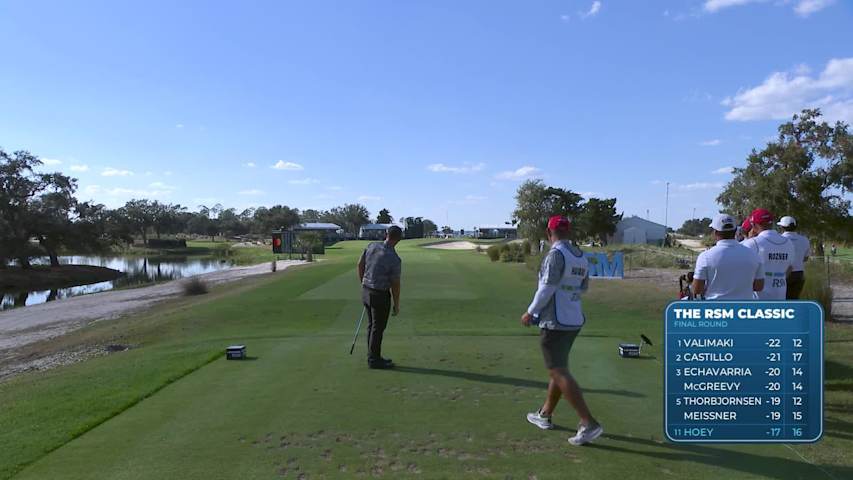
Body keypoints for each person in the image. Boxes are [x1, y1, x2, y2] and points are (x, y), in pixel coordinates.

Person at [521, 215, 602, 446]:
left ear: (549, 233)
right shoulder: (580, 256)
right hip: (573, 319)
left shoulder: (555, 255)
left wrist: (530, 312)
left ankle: (588, 422)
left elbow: (546, 288)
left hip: (554, 321)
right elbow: (583, 287)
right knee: (559, 368)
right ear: (569, 232)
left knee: (557, 370)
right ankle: (545, 414)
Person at [357, 225, 402, 369]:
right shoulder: (394, 259)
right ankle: (374, 360)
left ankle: (373, 355)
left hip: (366, 291)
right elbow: (395, 284)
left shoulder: (371, 246)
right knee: (378, 328)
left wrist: (363, 283)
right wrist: (396, 304)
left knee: (372, 326)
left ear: (386, 234)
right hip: (380, 295)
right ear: (399, 239)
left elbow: (360, 265)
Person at [691, 214, 764, 300]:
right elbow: (759, 287)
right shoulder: (753, 254)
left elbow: (696, 289)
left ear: (715, 232)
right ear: (736, 230)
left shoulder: (705, 256)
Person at [741, 209, 795, 300]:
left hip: (757, 299)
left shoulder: (752, 243)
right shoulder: (788, 242)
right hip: (780, 295)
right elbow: (790, 268)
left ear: (753, 225)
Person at [777, 216, 810, 299]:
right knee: (794, 300)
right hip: (799, 274)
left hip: (783, 273)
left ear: (782, 227)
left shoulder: (779, 240)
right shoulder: (804, 239)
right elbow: (806, 258)